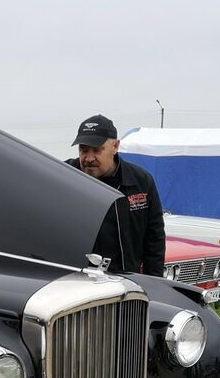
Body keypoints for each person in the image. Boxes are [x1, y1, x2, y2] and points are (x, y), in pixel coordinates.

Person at [65, 115, 165, 275]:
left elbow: (154, 240)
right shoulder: (63, 177)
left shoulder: (140, 182)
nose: (89, 158)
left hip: (124, 282)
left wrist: (154, 286)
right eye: (83, 150)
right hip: (75, 281)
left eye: (97, 150)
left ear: (115, 146)